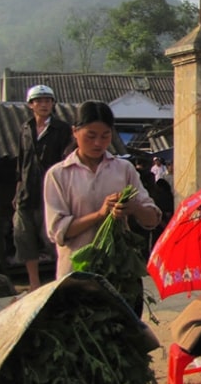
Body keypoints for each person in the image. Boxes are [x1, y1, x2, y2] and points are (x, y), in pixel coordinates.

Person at [44, 101, 162, 280]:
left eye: (105, 136)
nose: (98, 143)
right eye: (90, 136)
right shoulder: (58, 174)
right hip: (76, 272)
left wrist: (134, 208)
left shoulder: (124, 169)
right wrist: (100, 214)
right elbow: (58, 231)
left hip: (119, 270)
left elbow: (152, 219)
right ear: (75, 131)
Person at [13, 84, 72, 290]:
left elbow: (67, 160)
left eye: (48, 101)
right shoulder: (25, 128)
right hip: (27, 192)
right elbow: (21, 161)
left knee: (54, 238)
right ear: (31, 105)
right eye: (39, 101)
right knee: (24, 236)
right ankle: (34, 283)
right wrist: (18, 188)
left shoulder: (62, 129)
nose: (44, 105)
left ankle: (60, 280)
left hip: (51, 192)